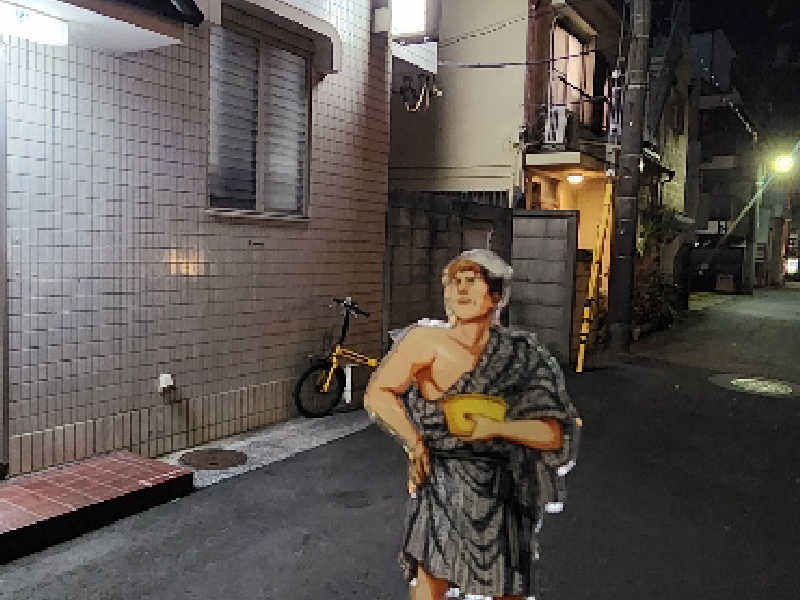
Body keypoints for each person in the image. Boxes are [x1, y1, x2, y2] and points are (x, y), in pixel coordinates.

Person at [364, 249, 581, 600]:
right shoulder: (424, 341)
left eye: (472, 281)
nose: (461, 289)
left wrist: (498, 428)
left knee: (507, 589)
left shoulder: (523, 355)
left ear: (496, 296)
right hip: (442, 482)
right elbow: (379, 393)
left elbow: (553, 433)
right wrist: (414, 443)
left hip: (503, 490)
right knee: (430, 579)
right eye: (454, 282)